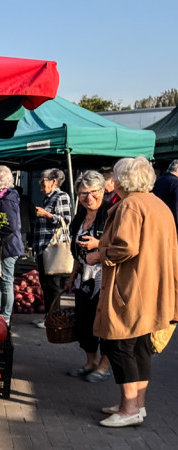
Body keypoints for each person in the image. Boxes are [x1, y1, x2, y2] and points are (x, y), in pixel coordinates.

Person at [83, 156, 178, 427]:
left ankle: (128, 409)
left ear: (123, 180)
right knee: (140, 347)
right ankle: (137, 405)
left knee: (121, 345)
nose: (111, 181)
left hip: (132, 286)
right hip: (153, 286)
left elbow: (126, 246)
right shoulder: (157, 204)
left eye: (114, 176)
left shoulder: (131, 205)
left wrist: (98, 254)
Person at [63, 171, 112, 382]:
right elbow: (76, 253)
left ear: (102, 191)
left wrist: (97, 245)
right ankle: (91, 361)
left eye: (93, 192)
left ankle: (104, 366)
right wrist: (71, 276)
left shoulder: (111, 214)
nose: (88, 197)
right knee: (84, 321)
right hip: (84, 276)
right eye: (83, 193)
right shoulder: (80, 217)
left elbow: (121, 245)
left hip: (105, 277)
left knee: (104, 323)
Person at [32, 168, 73, 329]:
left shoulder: (61, 196)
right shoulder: (47, 199)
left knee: (54, 285)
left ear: (54, 181)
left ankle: (57, 319)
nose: (41, 183)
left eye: (43, 179)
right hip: (44, 248)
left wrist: (46, 215)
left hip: (54, 248)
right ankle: (49, 317)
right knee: (46, 284)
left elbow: (66, 220)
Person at [0, 166, 24, 326]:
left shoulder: (6, 200)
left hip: (8, 247)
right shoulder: (1, 198)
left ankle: (6, 316)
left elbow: (10, 226)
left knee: (6, 282)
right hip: (2, 247)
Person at [151, 159, 178, 229]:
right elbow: (176, 208)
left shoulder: (156, 182)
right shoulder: (176, 184)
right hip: (171, 227)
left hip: (155, 224)